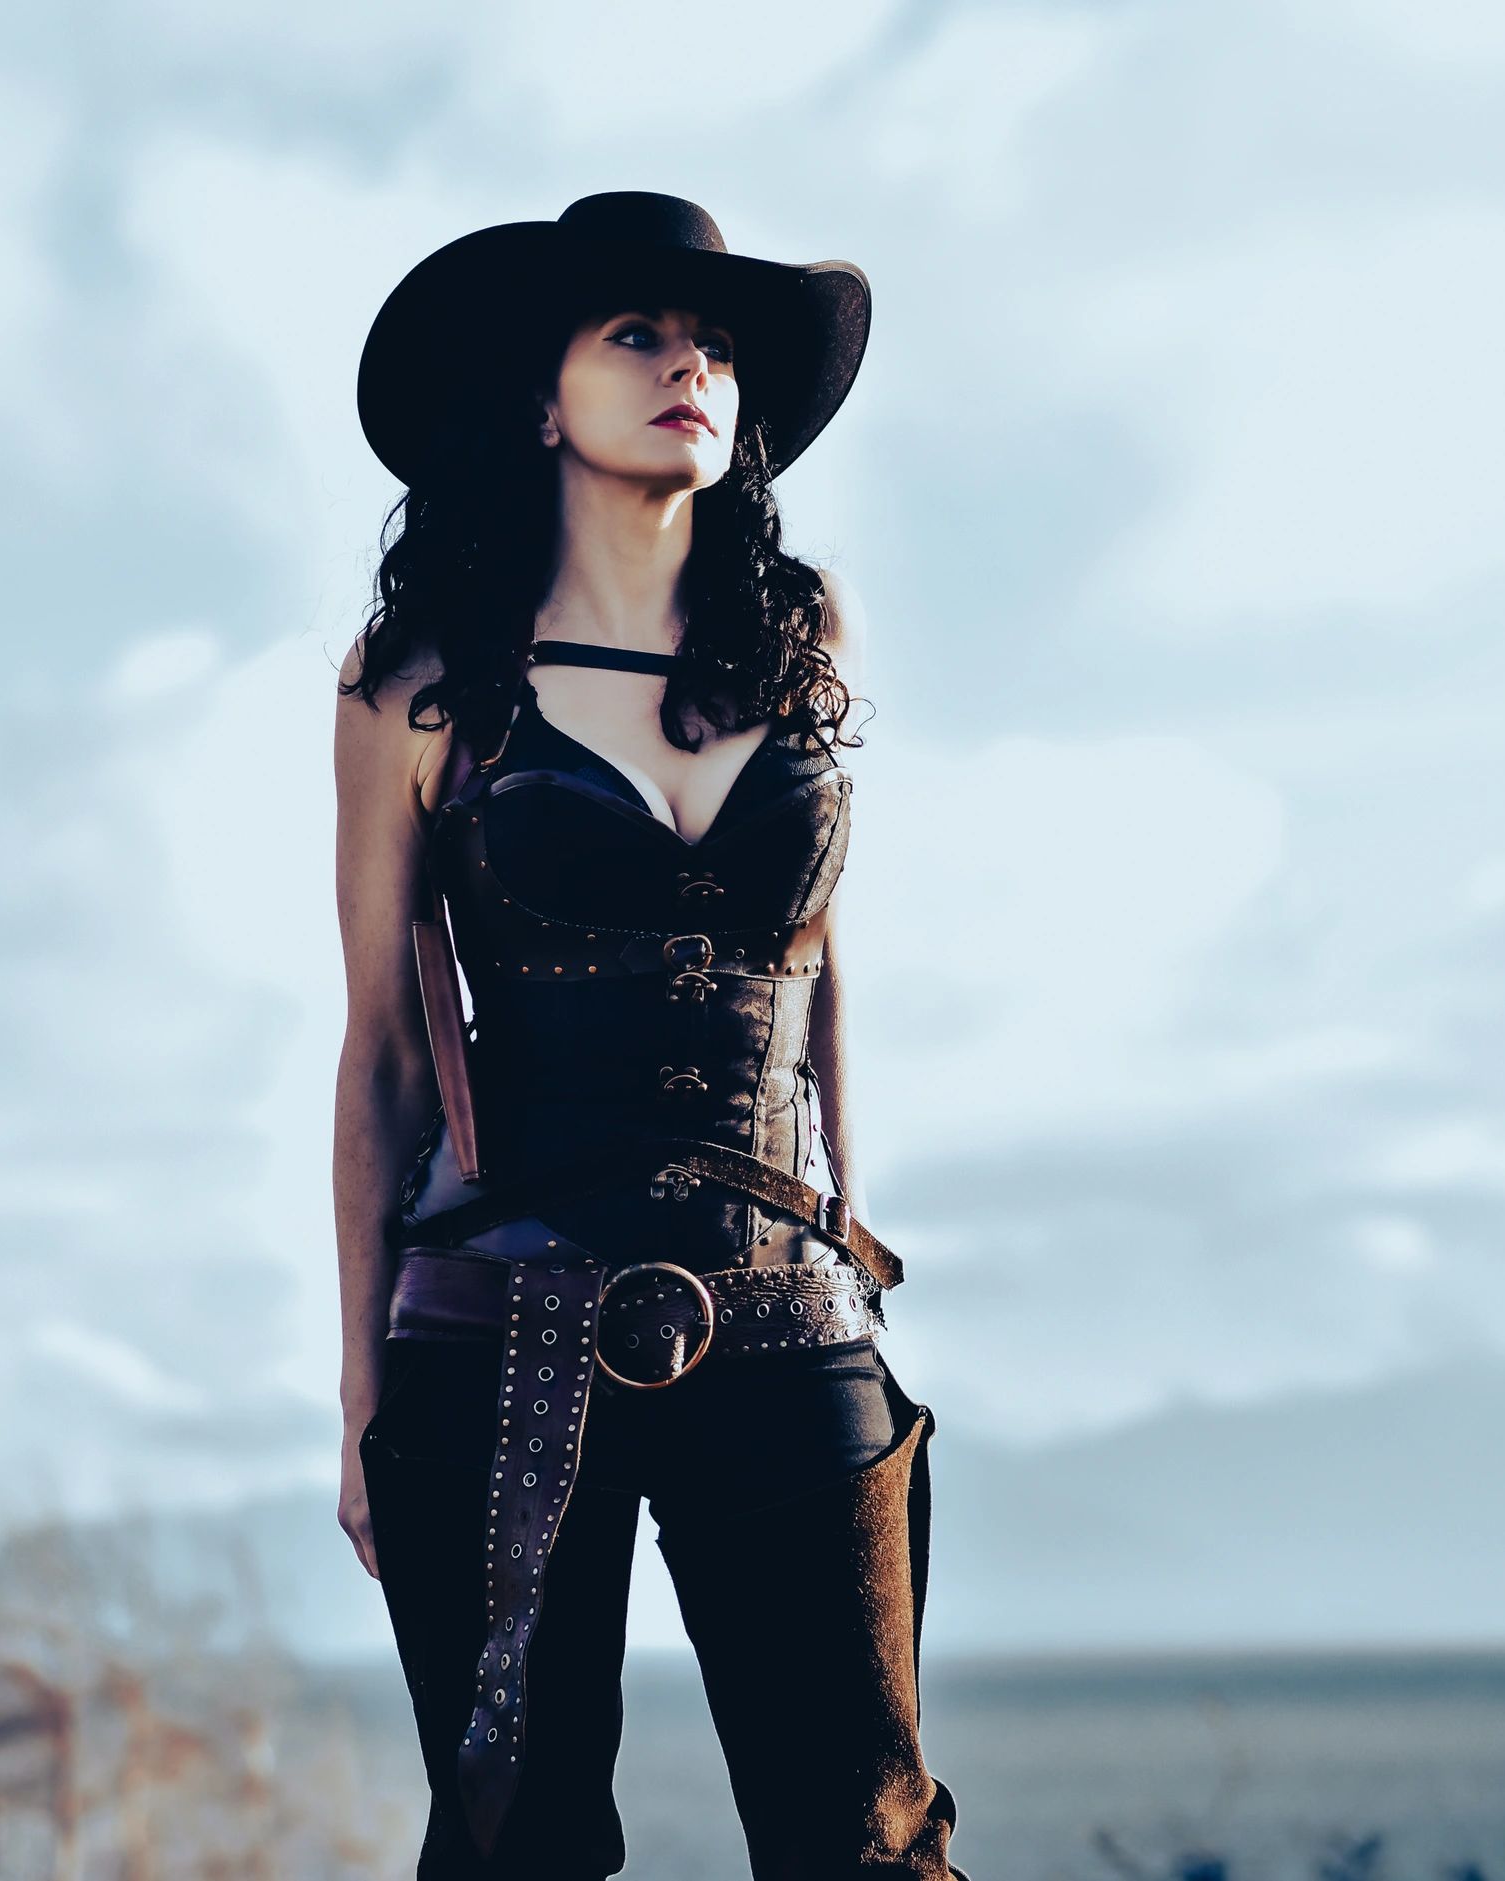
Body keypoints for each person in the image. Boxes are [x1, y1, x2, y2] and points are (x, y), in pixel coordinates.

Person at [329, 191, 968, 1878]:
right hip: (500, 1321)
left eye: (717, 344)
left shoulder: (801, 636)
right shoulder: (422, 678)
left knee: (871, 1843)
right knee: (513, 1846)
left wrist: (851, 1219)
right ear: (545, 403)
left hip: (780, 1301)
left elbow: (823, 962)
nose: (690, 359)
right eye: (638, 333)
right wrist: (360, 1392)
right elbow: (386, 1052)